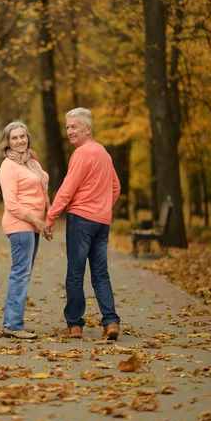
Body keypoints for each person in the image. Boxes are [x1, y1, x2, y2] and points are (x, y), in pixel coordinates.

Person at [45, 108, 121, 340]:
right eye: (67, 127)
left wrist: (50, 217)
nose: (69, 131)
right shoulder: (104, 154)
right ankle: (110, 322)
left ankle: (75, 326)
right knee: (100, 273)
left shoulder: (81, 154)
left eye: (74, 126)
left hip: (81, 220)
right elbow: (116, 187)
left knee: (75, 273)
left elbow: (67, 189)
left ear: (87, 129)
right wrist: (103, 206)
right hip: (102, 222)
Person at [0, 121, 50, 340]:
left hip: (34, 225)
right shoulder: (8, 167)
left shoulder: (31, 162)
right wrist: (37, 222)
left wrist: (47, 219)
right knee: (20, 273)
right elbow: (12, 204)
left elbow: (42, 192)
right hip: (20, 225)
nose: (19, 141)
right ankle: (12, 324)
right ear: (7, 143)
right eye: (14, 138)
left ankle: (13, 322)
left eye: (22, 136)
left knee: (23, 273)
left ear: (28, 137)